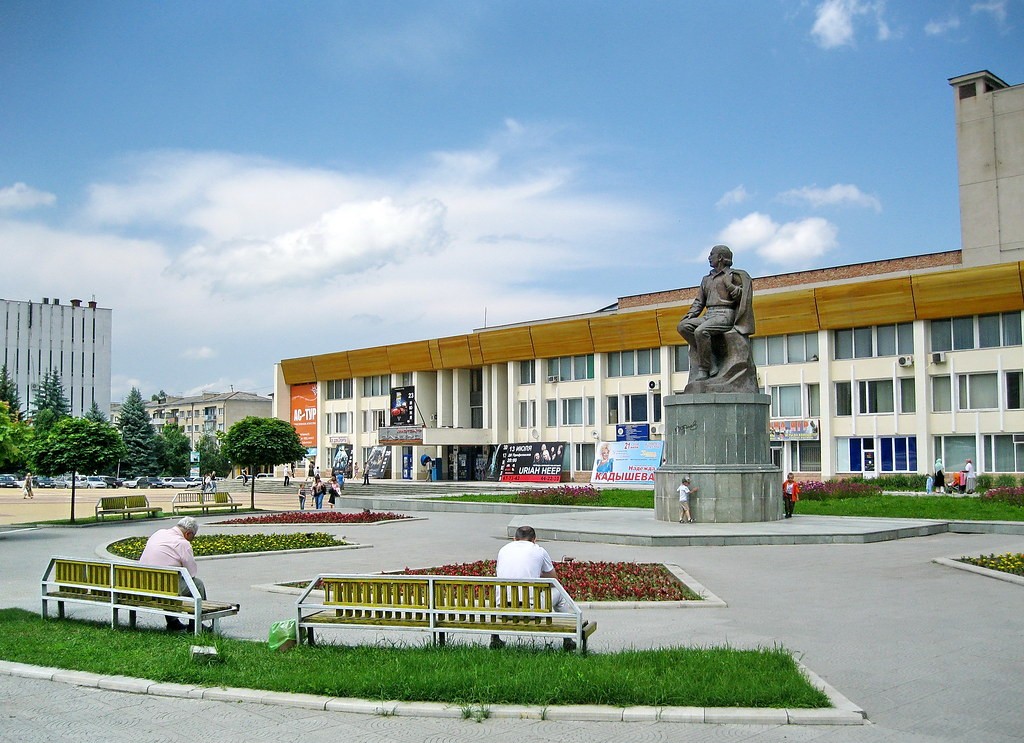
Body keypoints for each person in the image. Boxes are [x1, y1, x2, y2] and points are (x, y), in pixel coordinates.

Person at [490, 525, 578, 651]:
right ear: (534, 539)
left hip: (503, 611)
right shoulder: (539, 551)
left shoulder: (503, 550)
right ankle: (567, 639)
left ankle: (495, 637)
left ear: (514, 539)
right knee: (559, 592)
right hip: (531, 611)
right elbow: (553, 580)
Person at [677, 244, 755, 387]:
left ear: (720, 257)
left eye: (711, 254)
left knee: (701, 331)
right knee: (683, 327)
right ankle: (711, 361)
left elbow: (741, 298)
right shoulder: (706, 279)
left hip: (725, 314)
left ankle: (703, 369)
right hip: (709, 314)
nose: (708, 258)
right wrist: (689, 316)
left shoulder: (734, 276)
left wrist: (729, 284)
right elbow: (699, 302)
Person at [139, 516, 206, 631]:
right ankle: (195, 624)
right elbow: (191, 573)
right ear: (188, 534)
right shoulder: (182, 543)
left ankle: (173, 622)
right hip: (163, 588)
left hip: (143, 584)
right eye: (192, 537)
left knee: (167, 582)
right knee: (197, 584)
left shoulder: (159, 533)